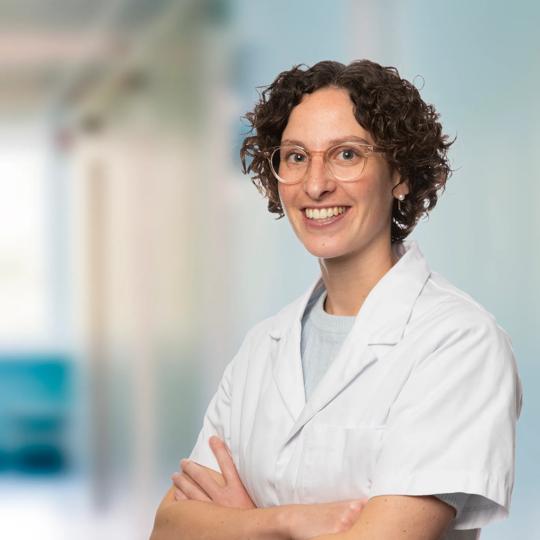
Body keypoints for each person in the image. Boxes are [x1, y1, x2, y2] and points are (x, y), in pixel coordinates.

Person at [150, 59, 523, 540]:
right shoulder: (262, 348)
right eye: (296, 156)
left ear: (400, 174)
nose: (315, 184)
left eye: (346, 154)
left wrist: (239, 524)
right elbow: (168, 527)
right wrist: (286, 521)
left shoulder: (458, 343)